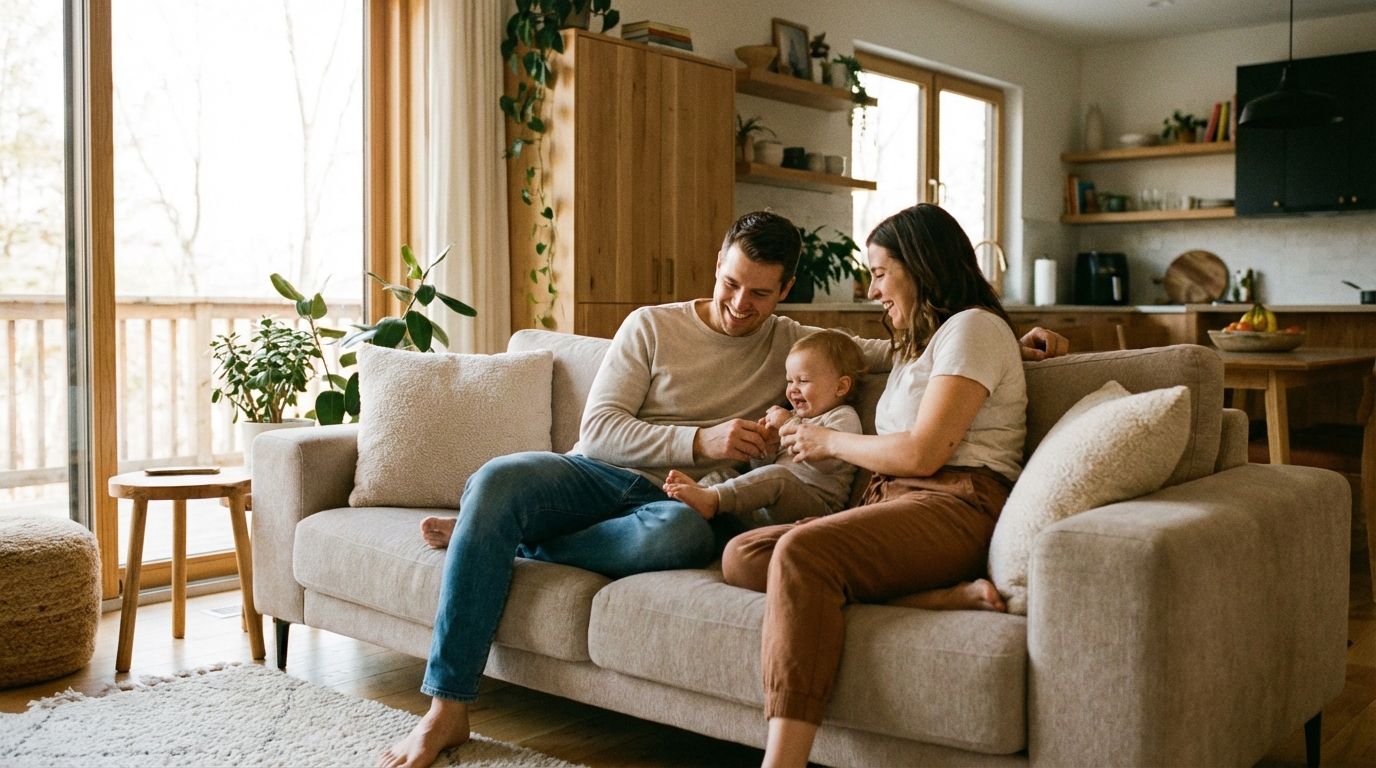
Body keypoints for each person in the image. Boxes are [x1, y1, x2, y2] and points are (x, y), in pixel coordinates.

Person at [380, 210, 1067, 768]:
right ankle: (448, 706)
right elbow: (600, 429)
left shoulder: (794, 343)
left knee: (684, 533)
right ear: (717, 264)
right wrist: (701, 441)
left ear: (786, 290)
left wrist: (1021, 341)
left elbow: (906, 351)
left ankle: (503, 540)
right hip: (597, 475)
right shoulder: (651, 325)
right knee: (498, 480)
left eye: (760, 294)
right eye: (732, 283)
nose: (741, 306)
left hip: (675, 506)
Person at [719, 203, 1029, 768]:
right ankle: (939, 598)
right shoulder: (920, 343)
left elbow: (923, 453)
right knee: (742, 555)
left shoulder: (974, 328)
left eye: (881, 273)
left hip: (953, 503)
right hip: (894, 500)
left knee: (801, 553)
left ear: (922, 266)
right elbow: (840, 351)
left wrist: (827, 441)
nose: (872, 290)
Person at [662, 329, 866, 530]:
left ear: (840, 387)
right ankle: (696, 502)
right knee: (725, 474)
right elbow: (761, 471)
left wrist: (787, 425)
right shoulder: (795, 417)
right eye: (789, 381)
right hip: (767, 508)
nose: (793, 389)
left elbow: (829, 463)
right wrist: (766, 449)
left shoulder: (842, 417)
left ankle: (713, 500)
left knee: (778, 477)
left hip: (816, 508)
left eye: (803, 380)